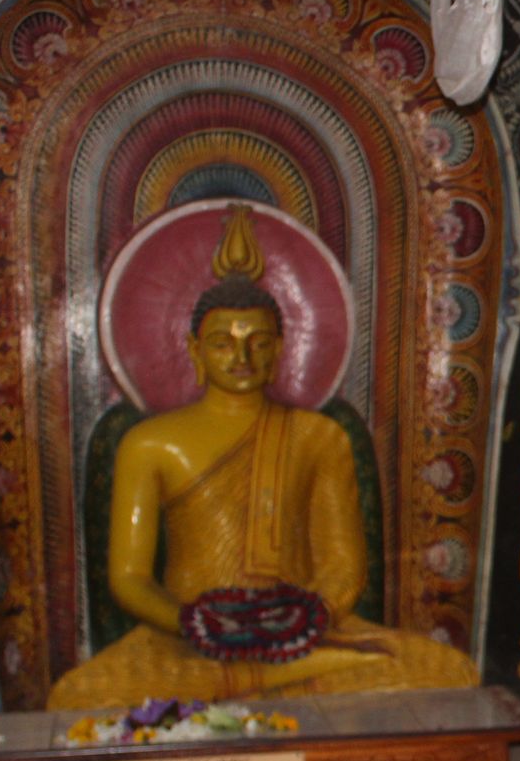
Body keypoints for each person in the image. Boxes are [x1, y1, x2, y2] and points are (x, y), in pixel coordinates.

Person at [48, 211, 476, 709]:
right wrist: (199, 625)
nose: (242, 356)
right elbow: (129, 578)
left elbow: (342, 567)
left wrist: (297, 623)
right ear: (194, 351)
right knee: (76, 697)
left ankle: (256, 684)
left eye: (257, 342)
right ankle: (253, 685)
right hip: (188, 644)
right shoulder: (150, 443)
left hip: (299, 639)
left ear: (279, 350)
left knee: (448, 671)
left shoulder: (318, 435)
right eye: (222, 343)